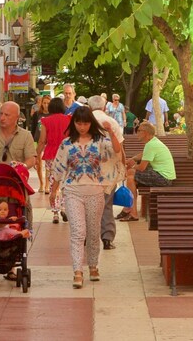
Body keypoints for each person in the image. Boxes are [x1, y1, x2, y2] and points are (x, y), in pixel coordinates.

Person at [49, 106, 124, 289]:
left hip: (96, 191)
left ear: (91, 123)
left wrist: (111, 132)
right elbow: (58, 167)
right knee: (78, 232)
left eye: (86, 123)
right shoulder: (67, 143)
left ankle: (93, 265)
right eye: (79, 123)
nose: (82, 127)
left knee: (93, 232)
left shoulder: (100, 141)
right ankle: (77, 271)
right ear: (74, 123)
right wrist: (54, 190)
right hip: (73, 191)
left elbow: (116, 151)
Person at [87, 94, 124, 250]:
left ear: (89, 107)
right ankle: (107, 238)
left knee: (88, 205)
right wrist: (124, 166)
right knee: (106, 204)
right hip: (108, 170)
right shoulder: (112, 122)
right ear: (104, 107)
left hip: (88, 170)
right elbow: (120, 147)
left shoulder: (84, 122)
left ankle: (87, 237)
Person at [118, 121, 176, 222]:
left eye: (139, 130)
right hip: (164, 177)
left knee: (131, 175)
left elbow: (141, 168)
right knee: (131, 177)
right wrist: (132, 159)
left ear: (145, 132)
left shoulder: (151, 145)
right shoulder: (153, 142)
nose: (137, 133)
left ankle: (132, 211)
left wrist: (132, 165)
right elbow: (144, 154)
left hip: (163, 178)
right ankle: (129, 209)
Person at [37, 97, 71, 223]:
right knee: (65, 182)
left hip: (51, 154)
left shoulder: (45, 121)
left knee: (52, 182)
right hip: (66, 154)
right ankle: (64, 208)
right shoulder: (69, 119)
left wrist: (37, 155)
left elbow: (42, 140)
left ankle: (55, 212)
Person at [27, 95, 51, 189]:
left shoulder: (52, 114)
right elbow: (33, 128)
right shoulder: (37, 114)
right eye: (44, 103)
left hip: (49, 140)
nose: (46, 105)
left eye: (48, 103)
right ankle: (41, 183)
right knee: (39, 162)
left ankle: (47, 185)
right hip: (38, 139)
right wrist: (32, 141)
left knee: (48, 163)